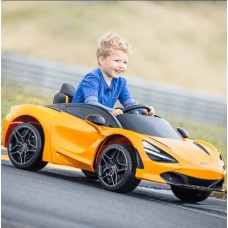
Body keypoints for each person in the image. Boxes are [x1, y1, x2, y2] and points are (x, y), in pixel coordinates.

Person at [72, 32, 155, 116]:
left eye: (125, 62)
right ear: (102, 60)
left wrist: (143, 109)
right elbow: (91, 103)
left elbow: (130, 104)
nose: (121, 66)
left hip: (98, 120)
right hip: (79, 118)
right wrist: (111, 111)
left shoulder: (120, 83)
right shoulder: (92, 78)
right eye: (117, 61)